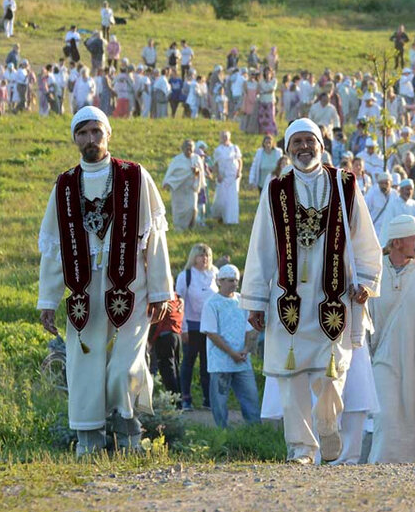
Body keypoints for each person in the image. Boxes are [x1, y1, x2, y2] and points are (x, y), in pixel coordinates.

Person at [240, 118, 383, 464]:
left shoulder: (344, 184)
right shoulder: (275, 190)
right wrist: (256, 300)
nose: (304, 148)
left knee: (332, 372)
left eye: (310, 141)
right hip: (288, 299)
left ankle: (327, 422)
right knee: (290, 379)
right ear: (287, 149)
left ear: (322, 145)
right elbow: (261, 247)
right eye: (297, 142)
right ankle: (301, 449)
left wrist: (365, 282)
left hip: (331, 296)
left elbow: (364, 237)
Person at [36, 106, 173, 455]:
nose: (90, 139)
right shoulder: (65, 185)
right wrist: (48, 300)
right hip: (84, 288)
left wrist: (161, 291)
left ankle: (129, 435)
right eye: (82, 133)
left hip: (132, 284)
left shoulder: (135, 176)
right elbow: (53, 250)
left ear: (108, 133)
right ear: (75, 139)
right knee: (84, 363)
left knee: (126, 366)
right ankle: (89, 442)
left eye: (96, 131)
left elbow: (155, 239)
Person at [368, 214, 415, 463]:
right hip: (384, 357)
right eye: (414, 238)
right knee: (386, 415)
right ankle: (381, 468)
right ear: (397, 243)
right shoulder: (375, 272)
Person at [201, 264, 260, 428]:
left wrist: (246, 349)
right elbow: (211, 333)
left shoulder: (242, 301)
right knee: (219, 401)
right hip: (220, 361)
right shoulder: (212, 303)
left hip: (242, 359)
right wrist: (231, 353)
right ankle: (222, 432)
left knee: (251, 397)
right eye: (228, 280)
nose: (233, 284)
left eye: (235, 280)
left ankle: (255, 430)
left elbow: (250, 328)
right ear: (219, 281)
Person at [174, 243, 218, 411]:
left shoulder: (215, 274)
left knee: (207, 364)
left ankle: (208, 398)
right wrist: (183, 328)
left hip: (210, 328)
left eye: (207, 255)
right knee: (188, 363)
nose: (204, 258)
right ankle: (186, 398)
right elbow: (180, 303)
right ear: (194, 257)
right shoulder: (185, 276)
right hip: (191, 326)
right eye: (201, 255)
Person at [162, 140, 206, 230]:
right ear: (183, 149)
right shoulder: (177, 160)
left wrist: (197, 171)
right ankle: (179, 227)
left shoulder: (197, 158)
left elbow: (200, 173)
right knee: (179, 210)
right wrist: (167, 182)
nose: (189, 150)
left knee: (193, 208)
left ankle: (191, 227)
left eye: (191, 147)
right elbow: (170, 173)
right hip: (179, 188)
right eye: (187, 147)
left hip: (191, 187)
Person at [211, 131, 243, 225]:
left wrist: (239, 171)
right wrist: (218, 175)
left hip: (233, 176)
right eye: (223, 136)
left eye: (226, 136)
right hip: (223, 176)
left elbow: (239, 160)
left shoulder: (234, 148)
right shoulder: (218, 150)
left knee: (232, 198)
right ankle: (220, 216)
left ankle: (231, 219)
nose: (225, 138)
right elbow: (216, 164)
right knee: (221, 197)